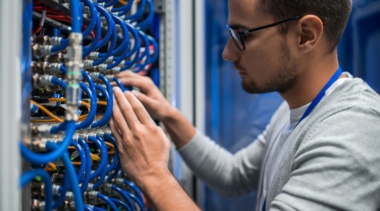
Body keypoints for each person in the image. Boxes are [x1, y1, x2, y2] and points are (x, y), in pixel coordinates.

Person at [110, 0, 380, 210]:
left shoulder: (352, 133)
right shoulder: (294, 110)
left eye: (242, 35)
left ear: (305, 36)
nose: (228, 53)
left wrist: (154, 175)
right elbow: (233, 175)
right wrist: (169, 115)